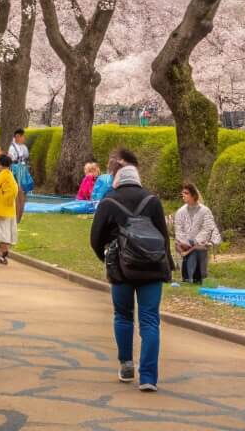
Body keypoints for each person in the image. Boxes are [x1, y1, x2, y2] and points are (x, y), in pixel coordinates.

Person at [89, 161, 170, 389]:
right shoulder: (152, 200)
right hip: (153, 269)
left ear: (117, 180)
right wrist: (167, 268)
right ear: (137, 178)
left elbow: (95, 238)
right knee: (150, 321)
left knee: (123, 316)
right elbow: (163, 236)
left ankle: (126, 364)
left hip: (121, 268)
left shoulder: (108, 202)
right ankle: (148, 377)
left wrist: (105, 258)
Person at [173, 183, 220, 286]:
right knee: (184, 248)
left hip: (200, 243)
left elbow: (208, 228)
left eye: (186, 193)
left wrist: (195, 241)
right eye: (183, 193)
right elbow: (178, 229)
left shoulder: (205, 211)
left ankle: (197, 278)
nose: (183, 195)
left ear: (194, 195)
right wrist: (184, 242)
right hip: (185, 244)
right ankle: (187, 277)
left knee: (198, 249)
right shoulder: (180, 212)